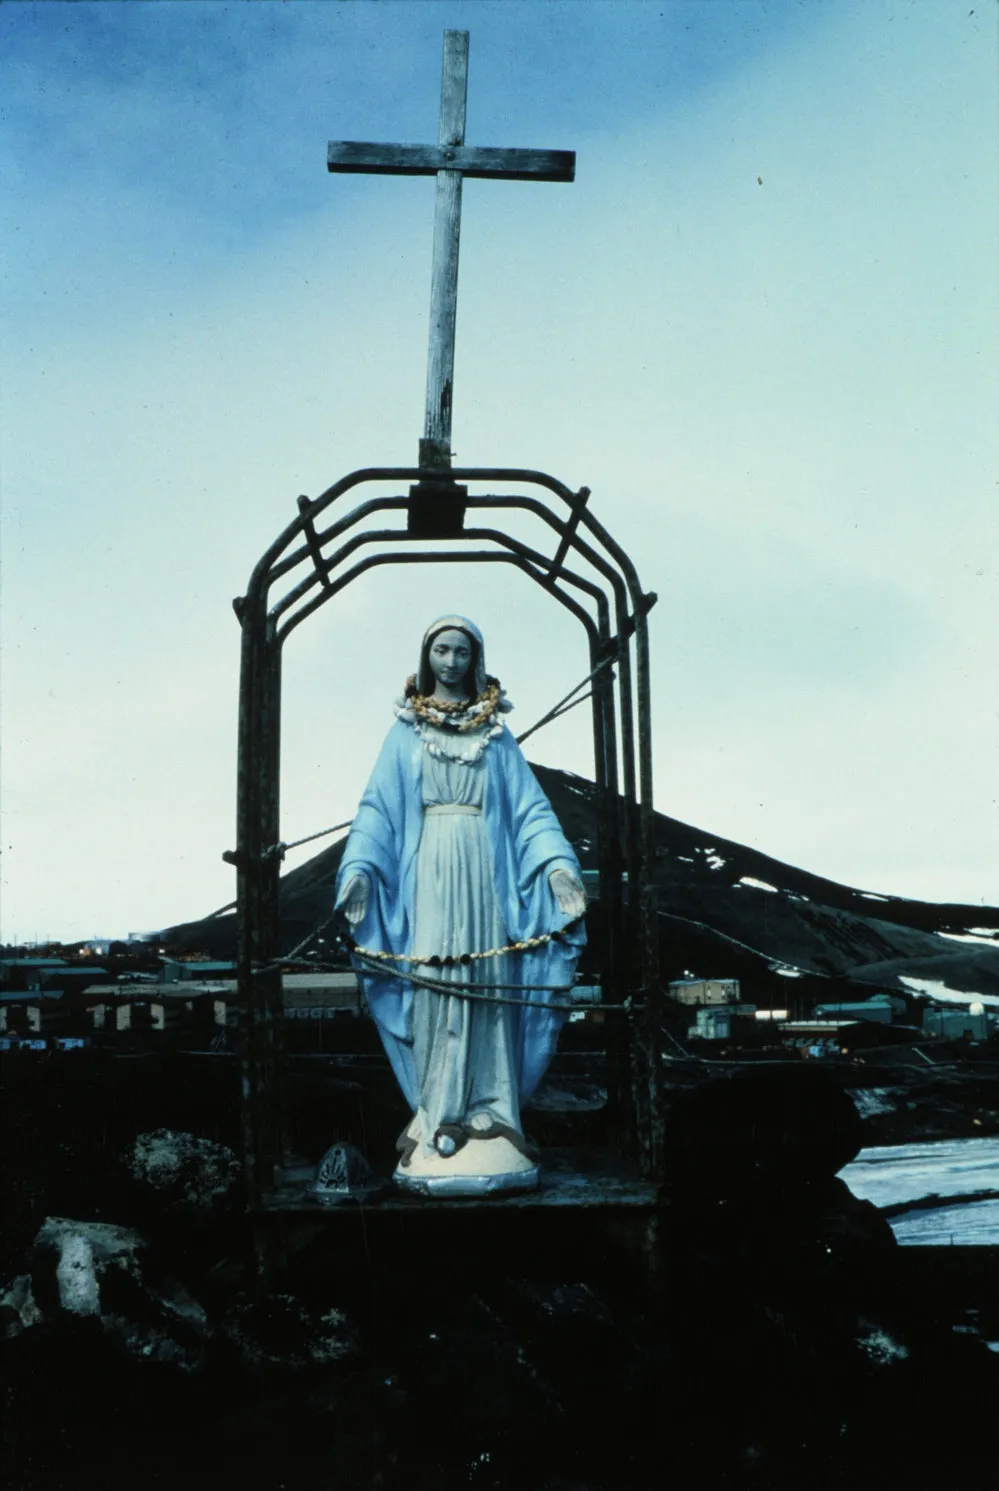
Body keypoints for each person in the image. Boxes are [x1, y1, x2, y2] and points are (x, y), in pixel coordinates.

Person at [334, 616, 587, 1194]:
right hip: (430, 873)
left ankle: (492, 1112)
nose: (451, 662)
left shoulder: (496, 736)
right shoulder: (404, 732)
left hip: (484, 870)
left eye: (463, 652)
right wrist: (360, 871)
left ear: (477, 659)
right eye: (442, 650)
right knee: (434, 985)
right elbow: (377, 809)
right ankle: (437, 1111)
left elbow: (529, 812)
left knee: (489, 983)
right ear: (428, 656)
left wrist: (555, 865)